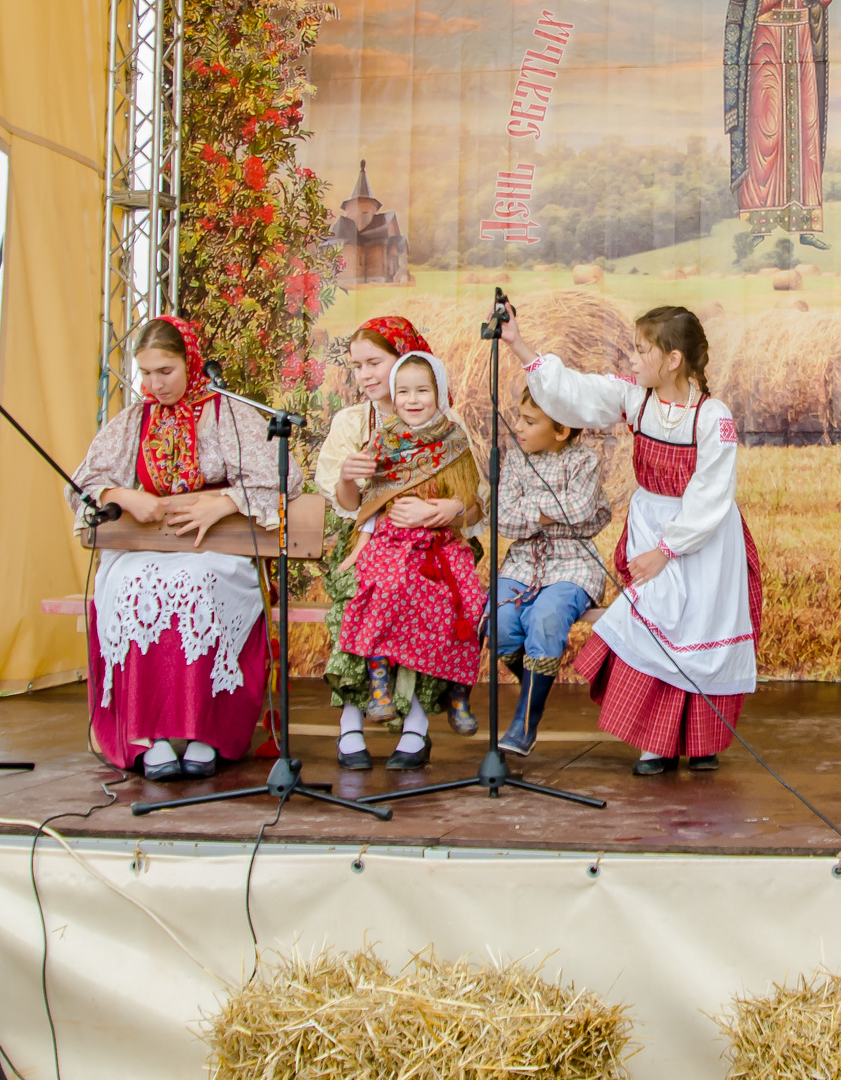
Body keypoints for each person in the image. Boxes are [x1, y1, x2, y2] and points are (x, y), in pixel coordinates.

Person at [504, 305, 758, 774]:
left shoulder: (711, 416)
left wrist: (666, 551)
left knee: (701, 628)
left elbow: (710, 494)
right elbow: (574, 393)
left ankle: (703, 742)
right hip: (651, 524)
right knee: (652, 625)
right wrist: (518, 344)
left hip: (701, 537)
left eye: (643, 350)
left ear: (674, 359)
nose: (633, 359)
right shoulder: (635, 398)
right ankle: (655, 742)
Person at [71, 315, 295, 781]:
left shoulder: (226, 413)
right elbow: (83, 482)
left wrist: (222, 503)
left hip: (217, 550)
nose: (156, 384)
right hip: (147, 550)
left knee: (194, 582)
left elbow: (283, 477)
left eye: (165, 372)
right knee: (134, 586)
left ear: (190, 362)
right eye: (146, 374)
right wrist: (122, 496)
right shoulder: (135, 419)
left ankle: (202, 732)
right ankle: (146, 735)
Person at [314, 315, 478, 734]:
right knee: (367, 593)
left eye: (374, 363)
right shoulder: (354, 424)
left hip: (437, 543)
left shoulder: (447, 426)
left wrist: (446, 510)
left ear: (406, 359)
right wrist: (348, 477)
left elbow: (476, 504)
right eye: (356, 366)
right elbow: (350, 507)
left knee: (437, 597)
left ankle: (417, 726)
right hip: (370, 541)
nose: (365, 375)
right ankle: (353, 723)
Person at [724, 0, 841, 258]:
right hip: (765, 43)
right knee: (767, 129)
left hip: (799, 45)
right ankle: (760, 221)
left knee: (804, 131)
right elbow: (745, 10)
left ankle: (805, 223)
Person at [491, 391, 611, 755]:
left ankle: (525, 721)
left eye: (530, 422)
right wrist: (550, 512)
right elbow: (503, 518)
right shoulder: (513, 459)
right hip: (523, 561)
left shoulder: (585, 460)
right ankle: (535, 681)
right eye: (520, 418)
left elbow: (580, 508)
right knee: (496, 621)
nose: (519, 429)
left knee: (546, 616)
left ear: (560, 430)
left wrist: (531, 509)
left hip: (572, 562)